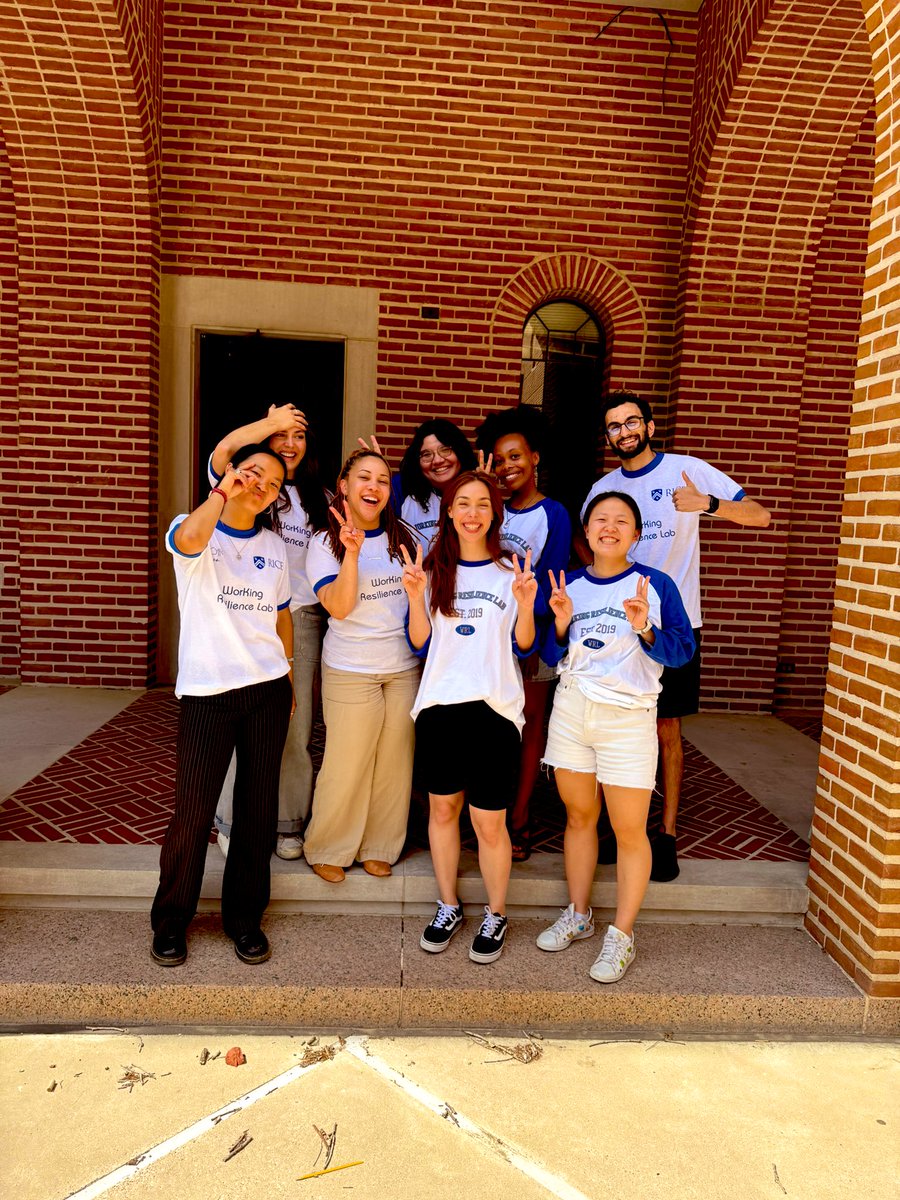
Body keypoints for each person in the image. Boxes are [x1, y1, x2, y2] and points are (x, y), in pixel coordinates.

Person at [580, 392, 771, 881]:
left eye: (630, 422)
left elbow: (760, 515)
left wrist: (709, 505)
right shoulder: (601, 489)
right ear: (607, 437)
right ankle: (617, 827)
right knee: (616, 723)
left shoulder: (687, 470)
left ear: (647, 424)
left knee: (667, 731)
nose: (624, 431)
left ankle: (665, 835)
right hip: (617, 624)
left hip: (677, 624)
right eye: (613, 426)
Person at [538, 492, 695, 982]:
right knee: (580, 816)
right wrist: (561, 623)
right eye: (600, 519)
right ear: (586, 532)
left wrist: (645, 626)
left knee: (629, 830)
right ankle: (580, 914)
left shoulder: (656, 584)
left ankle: (622, 935)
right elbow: (547, 651)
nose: (609, 527)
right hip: (572, 711)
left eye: (621, 520)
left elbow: (681, 652)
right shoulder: (570, 584)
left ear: (636, 533)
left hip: (628, 718)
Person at [150, 445, 294, 968]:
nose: (262, 486)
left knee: (257, 812)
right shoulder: (194, 525)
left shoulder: (276, 547)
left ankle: (244, 919)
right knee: (191, 812)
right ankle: (170, 922)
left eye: (274, 483)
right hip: (208, 693)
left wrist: (290, 677)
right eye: (255, 473)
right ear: (233, 473)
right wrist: (220, 492)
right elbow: (187, 541)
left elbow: (281, 618)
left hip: (267, 689)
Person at [402, 470, 539, 964]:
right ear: (449, 512)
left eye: (483, 504)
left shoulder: (510, 572)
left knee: (488, 820)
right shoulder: (434, 567)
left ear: (494, 514)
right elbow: (419, 641)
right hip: (440, 705)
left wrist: (526, 605)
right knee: (442, 811)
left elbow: (526, 646)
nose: (473, 512)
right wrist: (416, 595)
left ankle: (496, 912)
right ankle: (448, 905)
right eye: (463, 503)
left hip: (495, 710)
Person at [208, 404, 330, 861]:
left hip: (300, 619)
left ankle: (289, 822)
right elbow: (223, 454)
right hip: (245, 617)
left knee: (295, 727)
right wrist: (268, 423)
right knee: (240, 723)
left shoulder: (324, 499)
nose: (289, 444)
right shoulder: (250, 483)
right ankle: (229, 820)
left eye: (299, 436)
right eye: (281, 436)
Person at [302, 449, 421, 881]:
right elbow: (340, 606)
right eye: (364, 478)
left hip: (402, 667)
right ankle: (329, 846)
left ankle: (379, 845)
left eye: (383, 480)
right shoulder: (323, 541)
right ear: (345, 486)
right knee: (347, 760)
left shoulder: (406, 537)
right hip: (351, 668)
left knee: (394, 762)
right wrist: (351, 553)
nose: (374, 487)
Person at [475, 406, 571, 861]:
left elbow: (552, 577)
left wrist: (525, 636)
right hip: (486, 640)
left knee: (530, 729)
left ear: (534, 458)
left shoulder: (554, 513)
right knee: (491, 728)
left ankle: (520, 817)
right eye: (499, 459)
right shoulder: (488, 508)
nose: (507, 466)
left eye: (515, 457)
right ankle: (485, 813)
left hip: (532, 640)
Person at [391, 418, 477, 551]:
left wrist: (481, 489)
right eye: (426, 454)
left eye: (445, 450)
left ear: (460, 451)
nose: (437, 460)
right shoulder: (402, 489)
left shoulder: (479, 491)